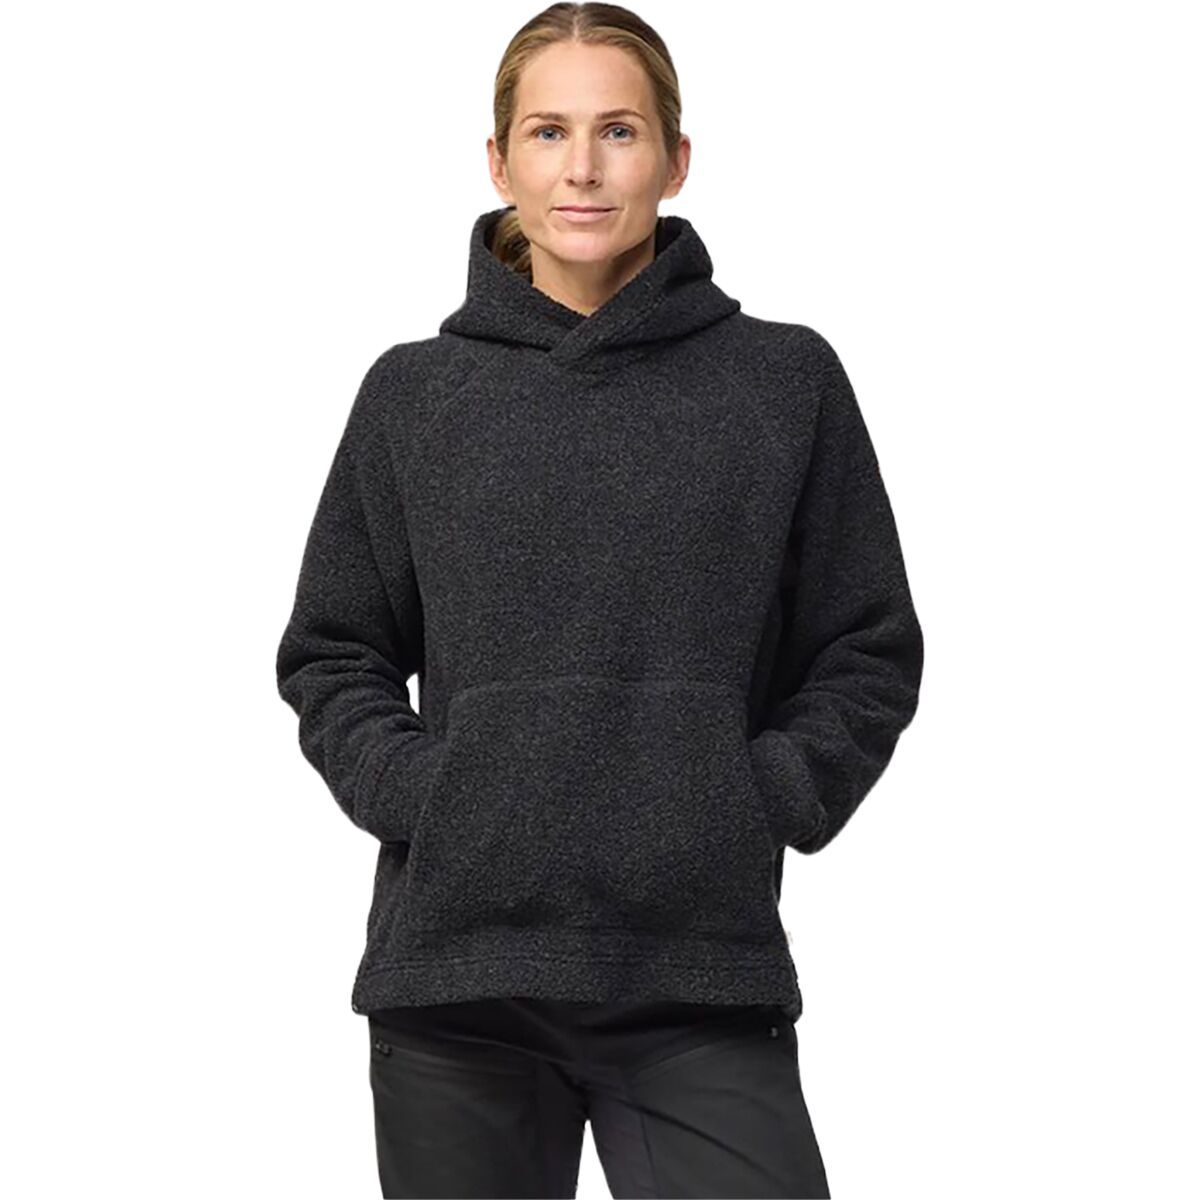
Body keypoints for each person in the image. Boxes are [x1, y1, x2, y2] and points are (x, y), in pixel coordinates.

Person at [274, 3, 924, 1196]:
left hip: (696, 972)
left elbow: (866, 645)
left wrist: (753, 798)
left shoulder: (783, 381)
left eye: (618, 131)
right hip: (459, 983)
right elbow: (334, 651)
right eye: (548, 131)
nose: (582, 168)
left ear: (676, 159)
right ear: (498, 161)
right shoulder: (415, 396)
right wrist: (433, 795)